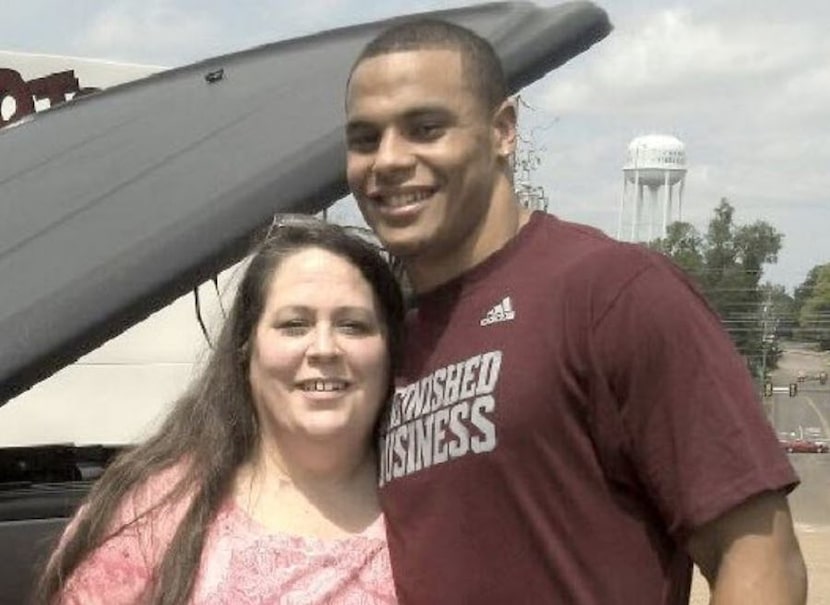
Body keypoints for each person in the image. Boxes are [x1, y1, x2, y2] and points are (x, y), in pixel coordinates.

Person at [344, 18, 808, 604]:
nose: (387, 159)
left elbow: (760, 558)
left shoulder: (613, 293)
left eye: (425, 128)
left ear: (503, 130)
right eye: (365, 139)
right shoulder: (384, 347)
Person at [36, 216, 404, 604]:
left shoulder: (440, 509)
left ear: (389, 349)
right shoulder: (151, 514)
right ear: (246, 348)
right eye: (295, 324)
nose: (324, 348)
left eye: (353, 326)